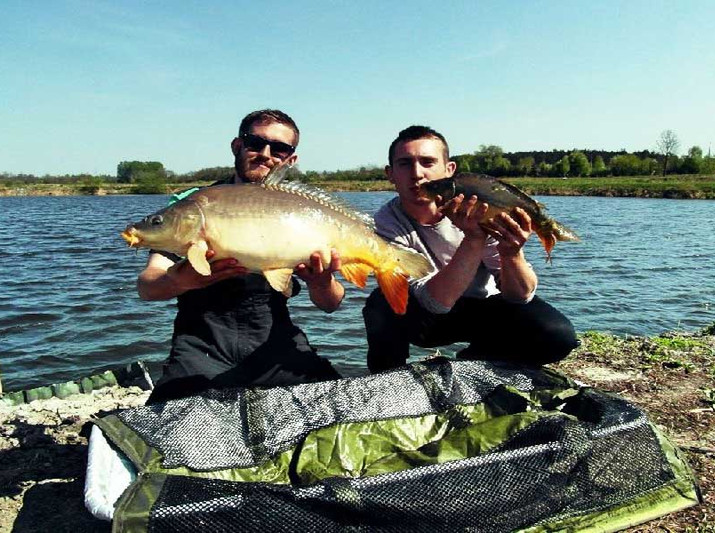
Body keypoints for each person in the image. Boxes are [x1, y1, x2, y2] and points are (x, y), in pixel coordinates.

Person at [138, 109, 343, 403]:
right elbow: (147, 286)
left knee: (336, 407)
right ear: (237, 146)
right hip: (203, 345)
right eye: (255, 143)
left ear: (291, 160)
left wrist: (321, 283)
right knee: (170, 424)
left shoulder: (303, 211)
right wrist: (180, 280)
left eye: (280, 148)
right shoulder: (192, 205)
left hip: (274, 344)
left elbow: (331, 304)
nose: (266, 154)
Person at [363, 125, 578, 373]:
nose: (417, 174)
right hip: (425, 317)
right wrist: (473, 239)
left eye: (428, 162)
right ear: (390, 173)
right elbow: (436, 303)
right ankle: (388, 380)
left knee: (558, 336)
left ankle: (474, 362)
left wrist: (512, 253)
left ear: (449, 170)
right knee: (380, 303)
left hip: (484, 310)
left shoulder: (479, 208)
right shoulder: (385, 222)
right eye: (405, 163)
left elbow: (521, 296)